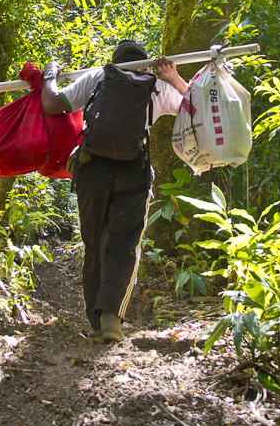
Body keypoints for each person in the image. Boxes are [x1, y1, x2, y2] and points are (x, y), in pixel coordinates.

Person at [40, 40, 188, 343]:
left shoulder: (97, 76)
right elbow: (195, 106)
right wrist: (172, 77)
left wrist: (49, 75)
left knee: (94, 244)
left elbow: (52, 104)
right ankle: (111, 320)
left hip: (92, 168)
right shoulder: (155, 87)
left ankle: (94, 323)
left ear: (114, 61)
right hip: (133, 172)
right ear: (144, 66)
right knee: (123, 245)